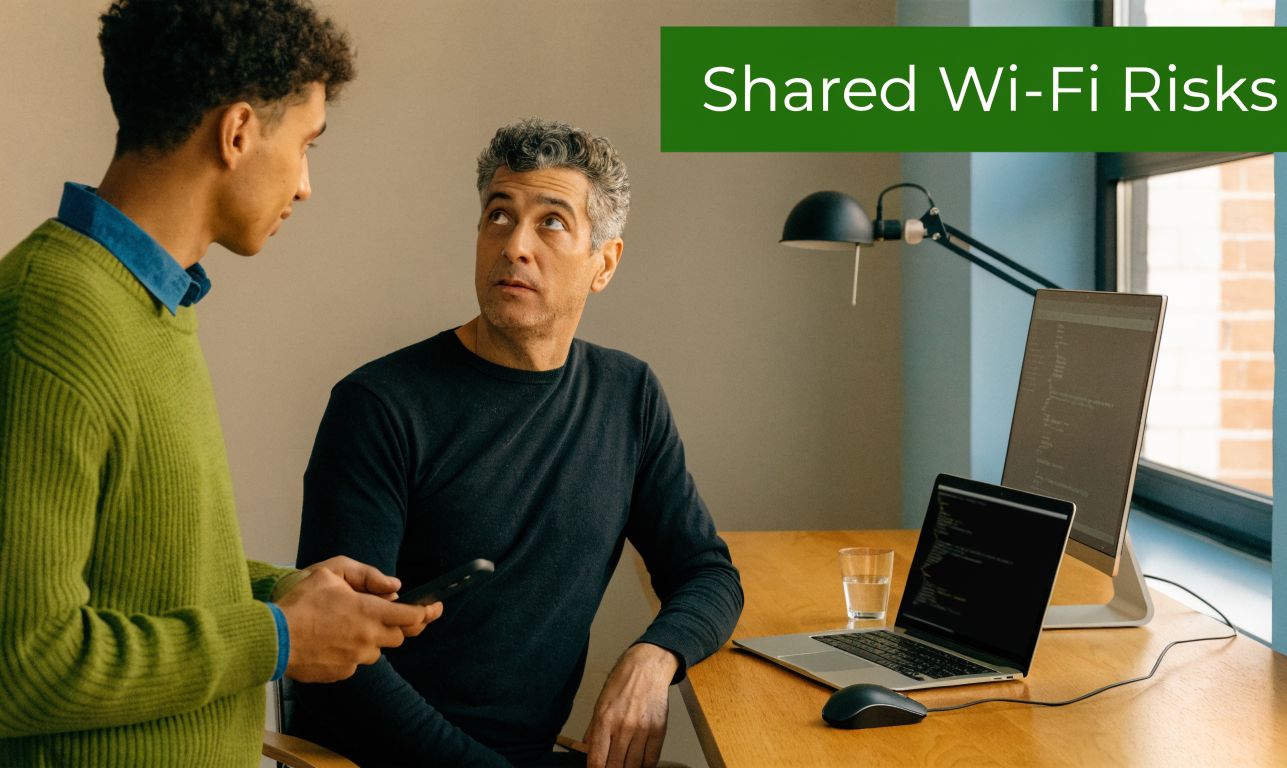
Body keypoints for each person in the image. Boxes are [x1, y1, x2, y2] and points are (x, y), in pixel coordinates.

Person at [0, 2, 441, 765]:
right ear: (237, 133)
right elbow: (21, 662)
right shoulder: (54, 315)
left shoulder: (150, 303)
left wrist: (284, 593)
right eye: (305, 146)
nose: (304, 186)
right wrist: (277, 638)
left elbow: (132, 568)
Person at [292, 118, 745, 768]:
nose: (515, 245)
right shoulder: (380, 406)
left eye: (551, 222)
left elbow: (707, 573)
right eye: (498, 216)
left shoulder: (628, 395)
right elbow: (339, 672)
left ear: (604, 263)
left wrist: (654, 658)